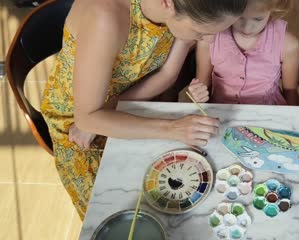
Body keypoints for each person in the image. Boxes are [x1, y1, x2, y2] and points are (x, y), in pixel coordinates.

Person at [40, 0, 247, 219]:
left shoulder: (179, 8)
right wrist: (171, 129)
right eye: (201, 32)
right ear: (167, 4)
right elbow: (86, 119)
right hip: (75, 127)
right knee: (118, 213)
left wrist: (112, 107)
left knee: (178, 192)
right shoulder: (105, 17)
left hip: (125, 101)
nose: (209, 40)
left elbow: (166, 75)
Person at [187, 0, 299, 106]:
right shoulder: (209, 39)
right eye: (239, 17)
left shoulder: (287, 44)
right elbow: (202, 85)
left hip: (269, 115)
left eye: (258, 19)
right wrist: (197, 95)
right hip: (222, 114)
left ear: (273, 11)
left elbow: (290, 92)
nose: (247, 28)